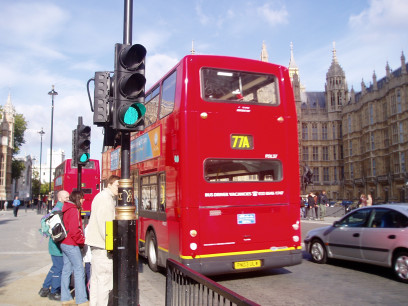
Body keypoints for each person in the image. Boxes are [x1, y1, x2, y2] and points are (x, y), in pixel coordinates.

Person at [86, 175, 120, 306]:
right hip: (102, 247)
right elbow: (107, 225)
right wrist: (111, 247)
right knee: (104, 283)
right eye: (117, 185)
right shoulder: (106, 199)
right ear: (109, 184)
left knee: (96, 281)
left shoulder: (101, 197)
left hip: (97, 245)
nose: (120, 189)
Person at [38, 190, 70, 301]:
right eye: (66, 197)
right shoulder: (60, 211)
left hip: (53, 245)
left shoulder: (55, 209)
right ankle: (54, 291)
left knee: (55, 267)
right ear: (60, 198)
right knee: (59, 268)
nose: (68, 199)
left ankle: (45, 288)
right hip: (57, 245)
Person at [60, 190, 88, 306]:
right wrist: (82, 241)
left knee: (66, 269)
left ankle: (65, 297)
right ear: (78, 198)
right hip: (72, 244)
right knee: (79, 270)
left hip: (64, 242)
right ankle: (81, 300)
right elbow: (74, 230)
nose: (83, 200)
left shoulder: (66, 208)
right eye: (82, 198)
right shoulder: (74, 210)